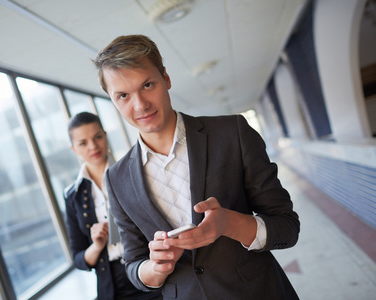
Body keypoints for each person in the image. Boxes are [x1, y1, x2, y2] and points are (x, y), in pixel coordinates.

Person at [92, 35, 301, 300]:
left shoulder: (232, 133)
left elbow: (287, 227)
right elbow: (133, 264)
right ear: (112, 100)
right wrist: (155, 268)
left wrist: (229, 223)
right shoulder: (116, 178)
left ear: (165, 79)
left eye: (147, 85)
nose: (140, 105)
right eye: (123, 95)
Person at [63, 112, 162, 300]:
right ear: (74, 149)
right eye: (83, 143)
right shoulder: (73, 196)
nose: (93, 146)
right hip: (112, 283)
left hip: (148, 268)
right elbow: (78, 258)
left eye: (98, 137)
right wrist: (97, 245)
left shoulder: (135, 172)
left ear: (105, 136)